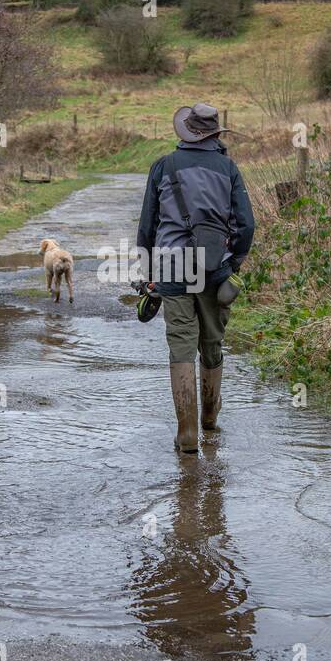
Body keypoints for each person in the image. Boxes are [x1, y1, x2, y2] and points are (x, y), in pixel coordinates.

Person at [136, 102, 254, 453]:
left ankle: (186, 433)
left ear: (187, 133)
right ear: (215, 134)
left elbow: (147, 227)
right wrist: (235, 265)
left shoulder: (163, 166)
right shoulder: (229, 168)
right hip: (215, 266)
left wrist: (149, 276)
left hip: (172, 269)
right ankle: (209, 421)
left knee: (181, 346)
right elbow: (246, 225)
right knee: (212, 343)